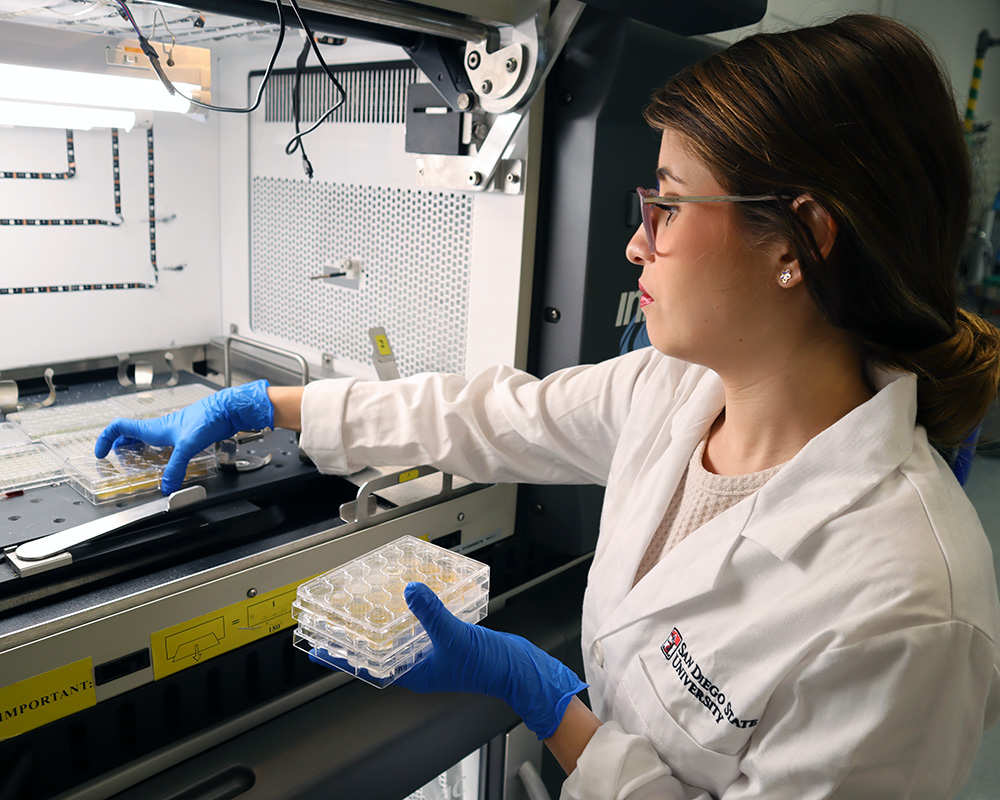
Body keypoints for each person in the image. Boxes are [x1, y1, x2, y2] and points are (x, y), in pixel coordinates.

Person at [96, 14, 1000, 798]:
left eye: (669, 207)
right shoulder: (678, 389)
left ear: (799, 241)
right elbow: (492, 416)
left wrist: (544, 700)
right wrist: (270, 406)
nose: (636, 243)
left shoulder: (909, 610)